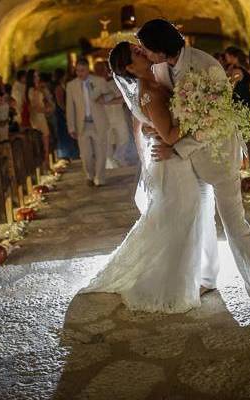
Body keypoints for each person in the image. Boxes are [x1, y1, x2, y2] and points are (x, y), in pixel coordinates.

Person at [138, 19, 250, 318]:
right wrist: (156, 132)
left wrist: (176, 147)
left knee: (235, 224)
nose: (145, 55)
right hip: (186, 163)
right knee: (199, 220)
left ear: (161, 48)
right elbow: (169, 114)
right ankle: (207, 277)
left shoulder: (205, 65)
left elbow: (216, 122)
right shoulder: (160, 69)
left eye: (147, 50)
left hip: (217, 155)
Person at [82, 41, 213, 313]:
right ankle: (176, 283)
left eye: (140, 48)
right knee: (183, 217)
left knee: (179, 218)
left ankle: (193, 275)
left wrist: (151, 128)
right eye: (137, 53)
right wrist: (203, 117)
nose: (142, 51)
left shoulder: (154, 81)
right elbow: (169, 136)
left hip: (171, 162)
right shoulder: (150, 92)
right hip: (172, 164)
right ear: (130, 67)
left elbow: (148, 124)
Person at [66, 59, 110, 187]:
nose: (79, 73)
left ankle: (99, 178)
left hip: (98, 122)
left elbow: (110, 95)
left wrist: (103, 98)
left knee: (101, 152)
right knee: (86, 155)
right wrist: (71, 127)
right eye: (77, 70)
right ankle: (89, 175)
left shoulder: (99, 81)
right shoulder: (71, 86)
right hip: (82, 124)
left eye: (82, 70)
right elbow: (70, 107)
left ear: (87, 69)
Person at [95, 61, 132, 168]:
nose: (101, 72)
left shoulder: (115, 82)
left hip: (118, 115)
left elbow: (124, 98)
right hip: (104, 118)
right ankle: (110, 162)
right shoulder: (95, 85)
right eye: (98, 70)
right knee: (107, 141)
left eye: (102, 69)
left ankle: (119, 157)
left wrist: (108, 102)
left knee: (123, 138)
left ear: (106, 70)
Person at [26, 69, 54, 163]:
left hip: (42, 116)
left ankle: (47, 163)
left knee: (46, 138)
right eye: (35, 76)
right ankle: (44, 164)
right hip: (37, 117)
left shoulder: (39, 88)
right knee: (41, 140)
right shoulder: (31, 90)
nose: (37, 78)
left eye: (38, 76)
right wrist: (46, 109)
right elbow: (34, 106)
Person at [52, 68, 79, 161]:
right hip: (62, 113)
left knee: (67, 132)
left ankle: (70, 153)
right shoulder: (59, 87)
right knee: (64, 133)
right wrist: (66, 111)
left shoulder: (61, 86)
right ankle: (67, 153)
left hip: (63, 111)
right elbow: (60, 101)